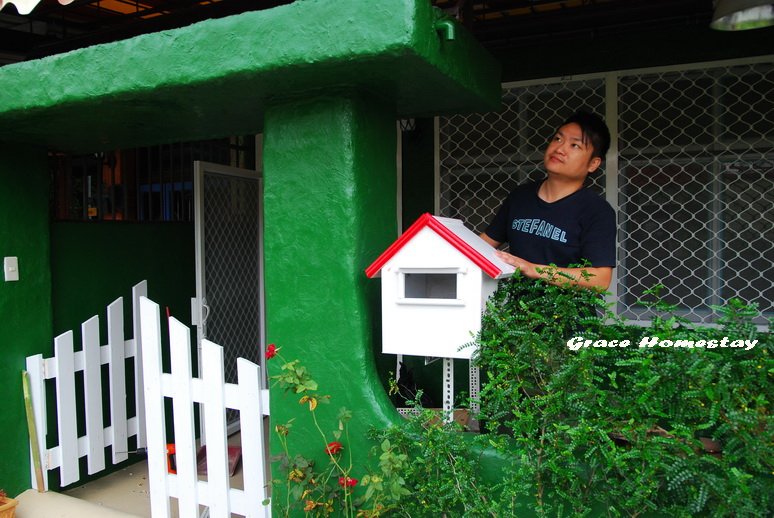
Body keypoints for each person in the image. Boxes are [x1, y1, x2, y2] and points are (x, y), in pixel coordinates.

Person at [480, 111, 615, 290]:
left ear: (593, 164)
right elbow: (482, 245)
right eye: (558, 139)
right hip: (513, 314)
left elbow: (600, 279)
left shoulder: (596, 210)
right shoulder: (520, 196)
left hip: (566, 315)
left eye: (575, 145)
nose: (560, 149)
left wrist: (533, 269)